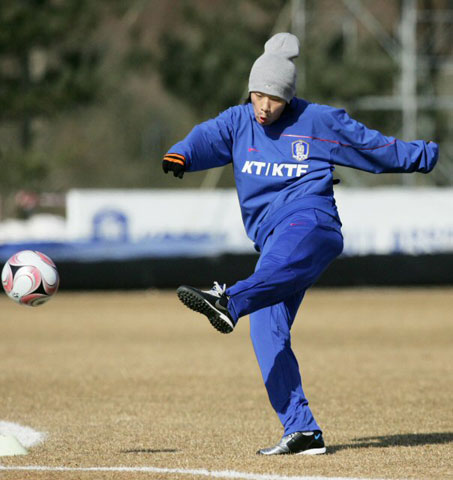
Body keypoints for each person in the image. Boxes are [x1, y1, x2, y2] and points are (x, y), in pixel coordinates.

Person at [162, 33, 438, 455]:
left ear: (288, 97)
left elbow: (374, 148)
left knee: (256, 294)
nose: (264, 106)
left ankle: (229, 300)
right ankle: (302, 430)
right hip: (273, 242)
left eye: (273, 98)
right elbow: (205, 137)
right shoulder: (238, 122)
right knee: (266, 330)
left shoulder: (317, 121)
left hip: (311, 223)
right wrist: (182, 153)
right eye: (257, 94)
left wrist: (426, 154)